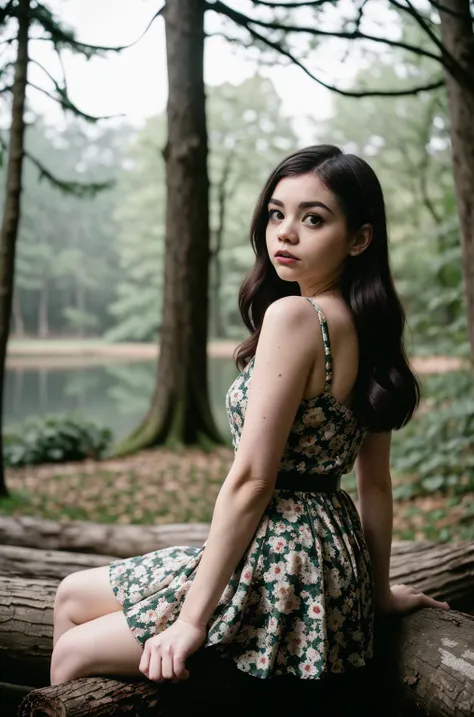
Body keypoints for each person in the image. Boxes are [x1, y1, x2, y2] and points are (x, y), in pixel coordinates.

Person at [50, 145, 449, 706]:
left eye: (313, 218)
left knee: (72, 651)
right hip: (330, 557)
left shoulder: (296, 316)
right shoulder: (370, 322)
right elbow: (376, 485)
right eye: (276, 213)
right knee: (69, 593)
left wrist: (191, 622)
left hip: (282, 563)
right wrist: (376, 591)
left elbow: (253, 481)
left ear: (359, 239)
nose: (285, 233)